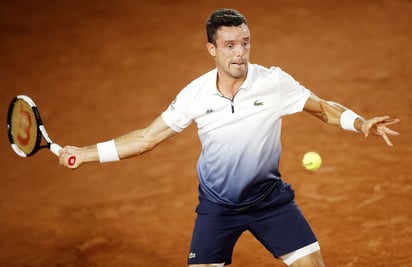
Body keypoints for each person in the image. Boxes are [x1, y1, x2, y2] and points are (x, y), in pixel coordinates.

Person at [59, 8, 400, 267]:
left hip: (270, 202)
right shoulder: (195, 95)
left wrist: (360, 123)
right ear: (212, 49)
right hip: (217, 209)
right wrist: (85, 153)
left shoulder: (273, 82)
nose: (240, 53)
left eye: (245, 43)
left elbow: (323, 108)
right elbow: (147, 138)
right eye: (230, 45)